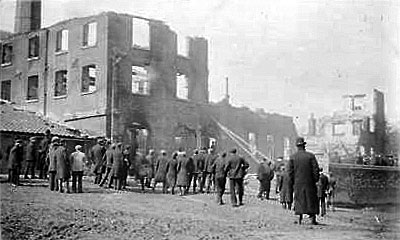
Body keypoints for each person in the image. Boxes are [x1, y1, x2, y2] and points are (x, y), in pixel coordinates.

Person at [288, 137, 320, 225]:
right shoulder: (310, 156)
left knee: (299, 199)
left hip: (298, 183)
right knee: (311, 199)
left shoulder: (293, 157)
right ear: (304, 145)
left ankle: (299, 218)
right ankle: (312, 219)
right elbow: (316, 170)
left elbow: (290, 172)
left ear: (297, 146)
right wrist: (315, 179)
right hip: (310, 183)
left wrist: (292, 182)